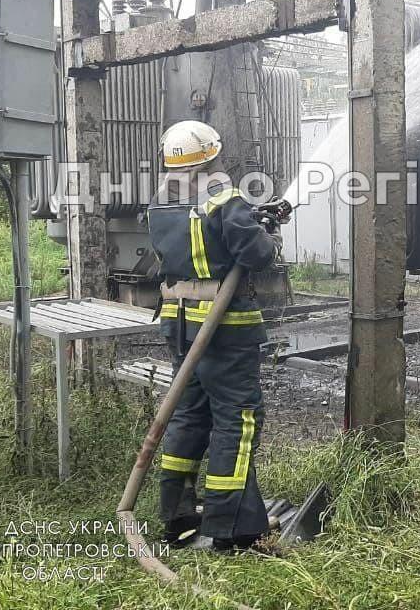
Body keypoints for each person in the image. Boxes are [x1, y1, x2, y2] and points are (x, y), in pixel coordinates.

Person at [147, 120, 282, 552]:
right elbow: (255, 254)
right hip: (224, 329)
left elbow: (199, 245)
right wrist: (270, 237)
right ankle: (233, 527)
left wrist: (251, 225)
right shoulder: (224, 198)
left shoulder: (158, 204)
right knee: (237, 420)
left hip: (179, 324)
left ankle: (177, 515)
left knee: (188, 414)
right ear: (211, 156)